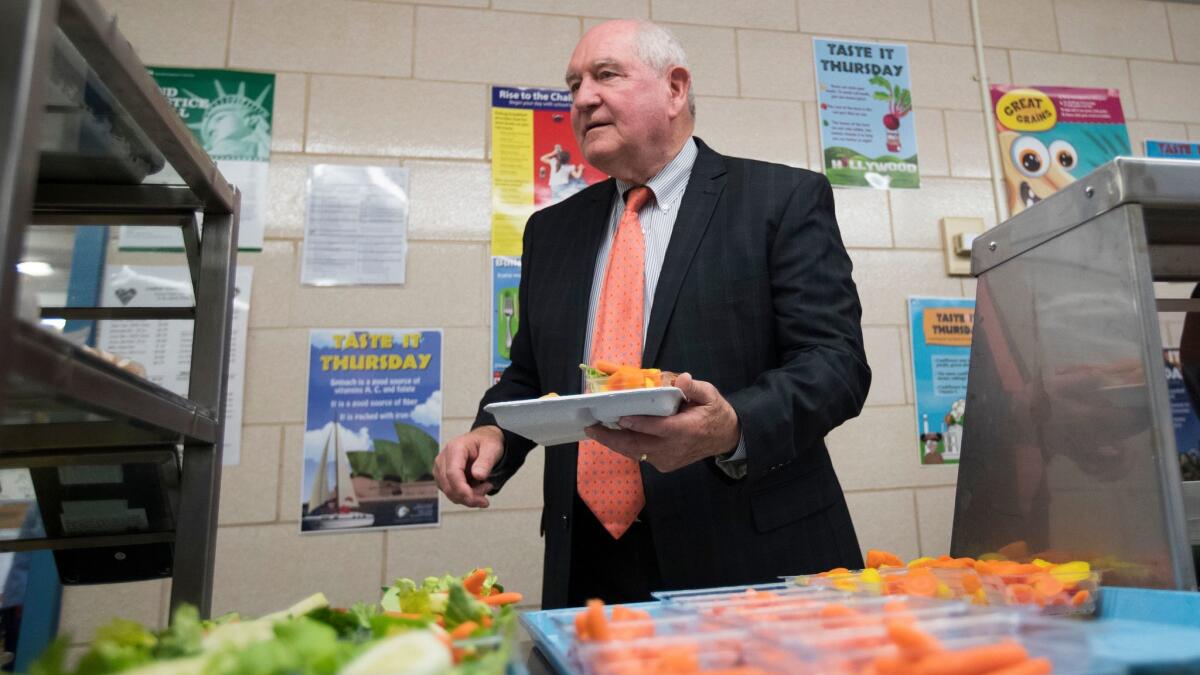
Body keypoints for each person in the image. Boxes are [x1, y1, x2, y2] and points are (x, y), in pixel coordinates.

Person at [434, 19, 871, 609]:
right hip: (589, 562)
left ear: (675, 89)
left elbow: (835, 365)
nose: (583, 98)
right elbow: (533, 375)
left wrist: (732, 426)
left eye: (606, 75)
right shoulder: (550, 231)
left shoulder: (781, 200)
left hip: (750, 553)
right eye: (573, 85)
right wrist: (492, 432)